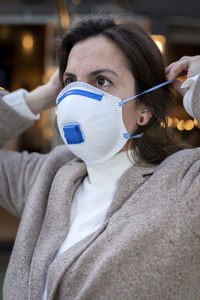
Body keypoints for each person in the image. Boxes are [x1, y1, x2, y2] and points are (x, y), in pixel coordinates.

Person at [0, 15, 200, 300]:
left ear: (144, 108)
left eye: (101, 80)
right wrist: (42, 96)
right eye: (70, 82)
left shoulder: (185, 185)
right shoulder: (48, 175)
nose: (77, 97)